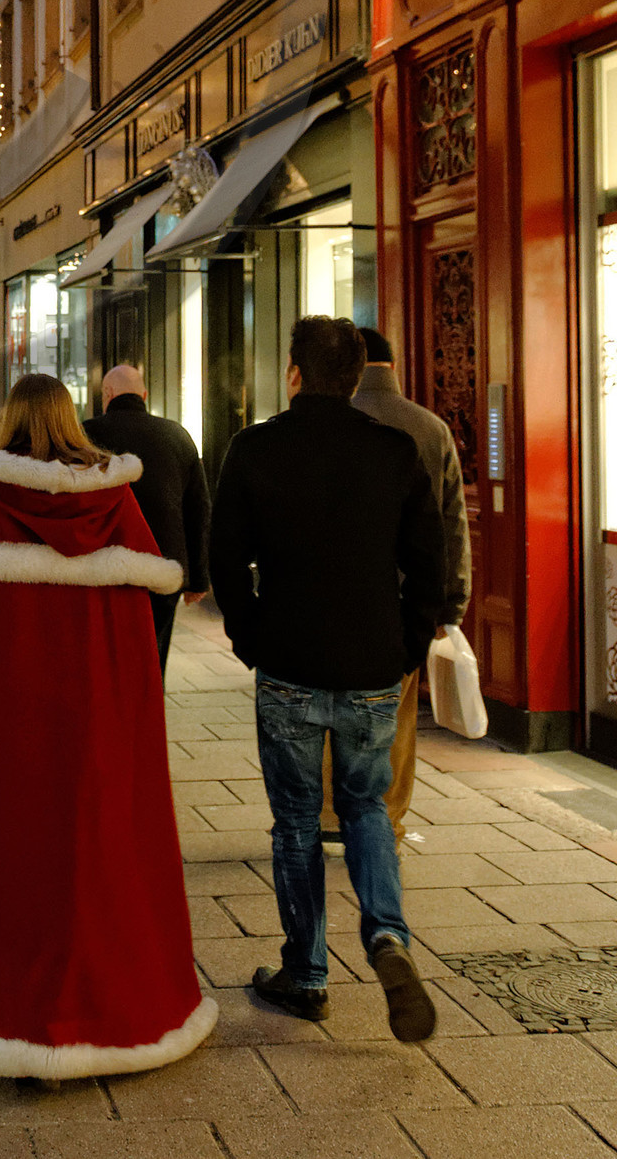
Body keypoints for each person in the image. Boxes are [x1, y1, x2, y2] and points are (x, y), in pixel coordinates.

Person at [0, 372, 214, 1078]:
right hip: (92, 713)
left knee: (4, 854)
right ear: (75, 418)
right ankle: (108, 1010)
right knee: (97, 852)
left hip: (3, 720)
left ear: (9, 418)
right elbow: (136, 622)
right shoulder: (112, 499)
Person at [208, 314, 447, 1042]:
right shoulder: (395, 451)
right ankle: (386, 936)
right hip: (374, 663)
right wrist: (406, 643)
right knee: (368, 805)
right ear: (354, 375)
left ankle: (307, 973)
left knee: (296, 822)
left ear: (294, 372)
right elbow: (428, 563)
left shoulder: (255, 449)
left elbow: (225, 558)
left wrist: (251, 637)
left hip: (289, 663)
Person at [319, 327, 472, 845]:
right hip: (406, 599)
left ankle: (327, 815)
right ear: (395, 367)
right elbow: (452, 523)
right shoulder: (430, 428)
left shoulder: (327, 423)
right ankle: (388, 817)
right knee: (398, 717)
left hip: (334, 594)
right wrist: (451, 601)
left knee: (328, 705)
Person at [88, 363, 211, 675]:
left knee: (105, 662)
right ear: (144, 394)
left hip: (104, 567)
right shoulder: (177, 435)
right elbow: (198, 508)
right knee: (152, 664)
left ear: (107, 394)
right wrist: (197, 577)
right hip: (164, 567)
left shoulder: (87, 434)